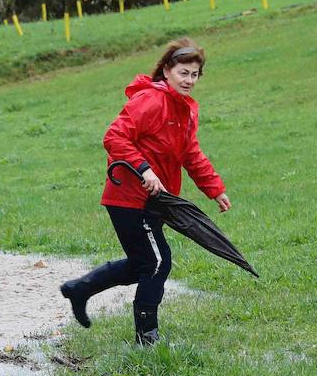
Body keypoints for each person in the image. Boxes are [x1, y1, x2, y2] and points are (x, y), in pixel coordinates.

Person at [60, 37, 231, 345]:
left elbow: (191, 154)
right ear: (167, 71)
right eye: (183, 72)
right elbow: (114, 137)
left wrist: (215, 189)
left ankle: (79, 289)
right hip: (129, 197)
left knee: (142, 263)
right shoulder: (150, 100)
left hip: (154, 201)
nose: (189, 80)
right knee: (157, 262)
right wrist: (144, 168)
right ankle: (147, 338)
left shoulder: (187, 111)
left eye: (195, 74)